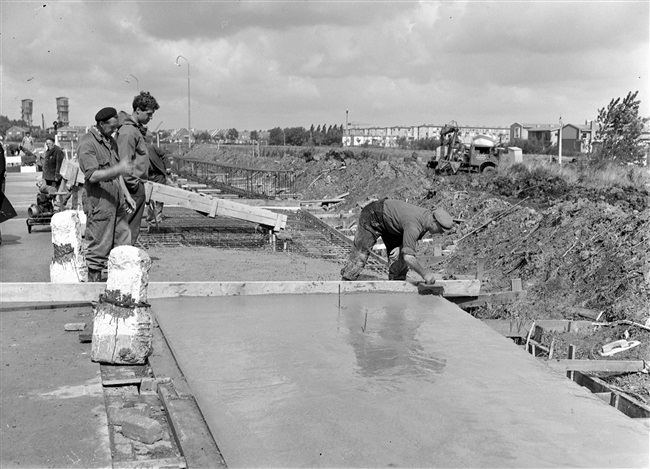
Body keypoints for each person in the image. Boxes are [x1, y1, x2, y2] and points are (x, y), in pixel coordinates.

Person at [78, 107, 136, 282]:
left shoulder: (111, 141)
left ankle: (118, 288)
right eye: (112, 127)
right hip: (99, 202)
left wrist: (127, 195)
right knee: (99, 248)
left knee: (123, 242)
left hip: (116, 201)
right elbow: (92, 175)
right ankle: (94, 293)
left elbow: (117, 174)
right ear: (101, 124)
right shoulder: (87, 143)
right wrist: (119, 168)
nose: (115, 130)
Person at [341, 198, 454, 283]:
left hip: (391, 224)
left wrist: (400, 247)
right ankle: (346, 283)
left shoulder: (426, 219)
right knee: (361, 253)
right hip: (373, 214)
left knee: (399, 258)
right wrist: (425, 274)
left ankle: (397, 284)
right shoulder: (414, 226)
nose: (441, 233)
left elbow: (407, 241)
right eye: (441, 229)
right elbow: (409, 258)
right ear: (434, 223)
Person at [116, 91, 159, 244]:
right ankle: (123, 261)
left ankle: (125, 259)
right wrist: (134, 186)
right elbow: (123, 164)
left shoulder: (134, 129)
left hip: (134, 186)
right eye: (149, 113)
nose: (150, 117)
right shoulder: (128, 132)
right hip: (131, 187)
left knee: (131, 229)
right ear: (138, 110)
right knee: (128, 229)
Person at [145, 134, 169, 225]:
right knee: (148, 197)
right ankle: (151, 217)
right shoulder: (136, 153)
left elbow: (163, 155)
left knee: (160, 196)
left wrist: (168, 167)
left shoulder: (152, 148)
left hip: (158, 174)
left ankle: (157, 217)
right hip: (148, 176)